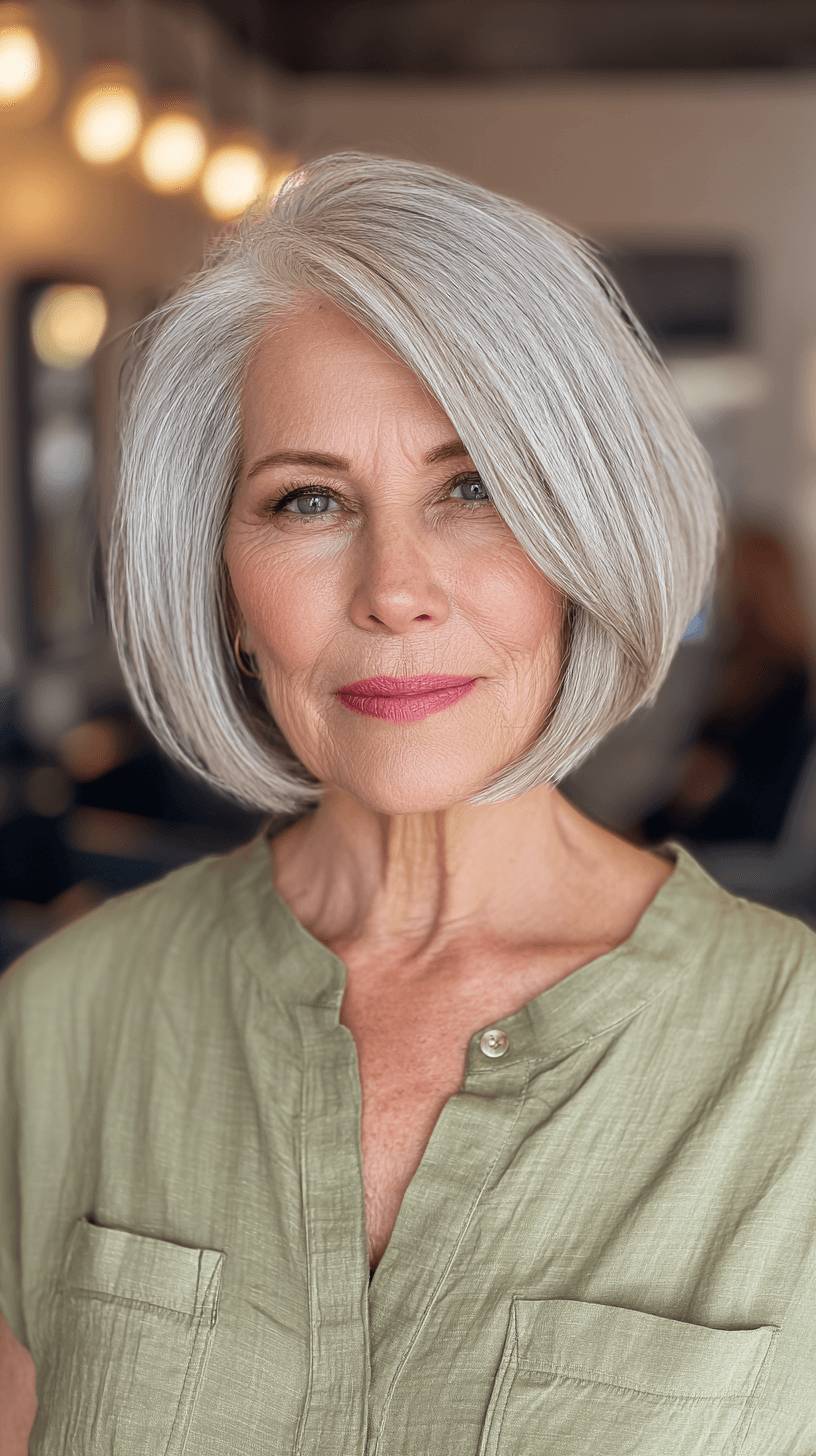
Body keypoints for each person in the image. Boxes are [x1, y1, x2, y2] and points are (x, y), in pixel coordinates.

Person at [2, 149, 815, 1456]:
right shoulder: (59, 1026)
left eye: (472, 487)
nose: (394, 588)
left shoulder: (793, 1060)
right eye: (309, 500)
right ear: (227, 585)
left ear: (582, 537)